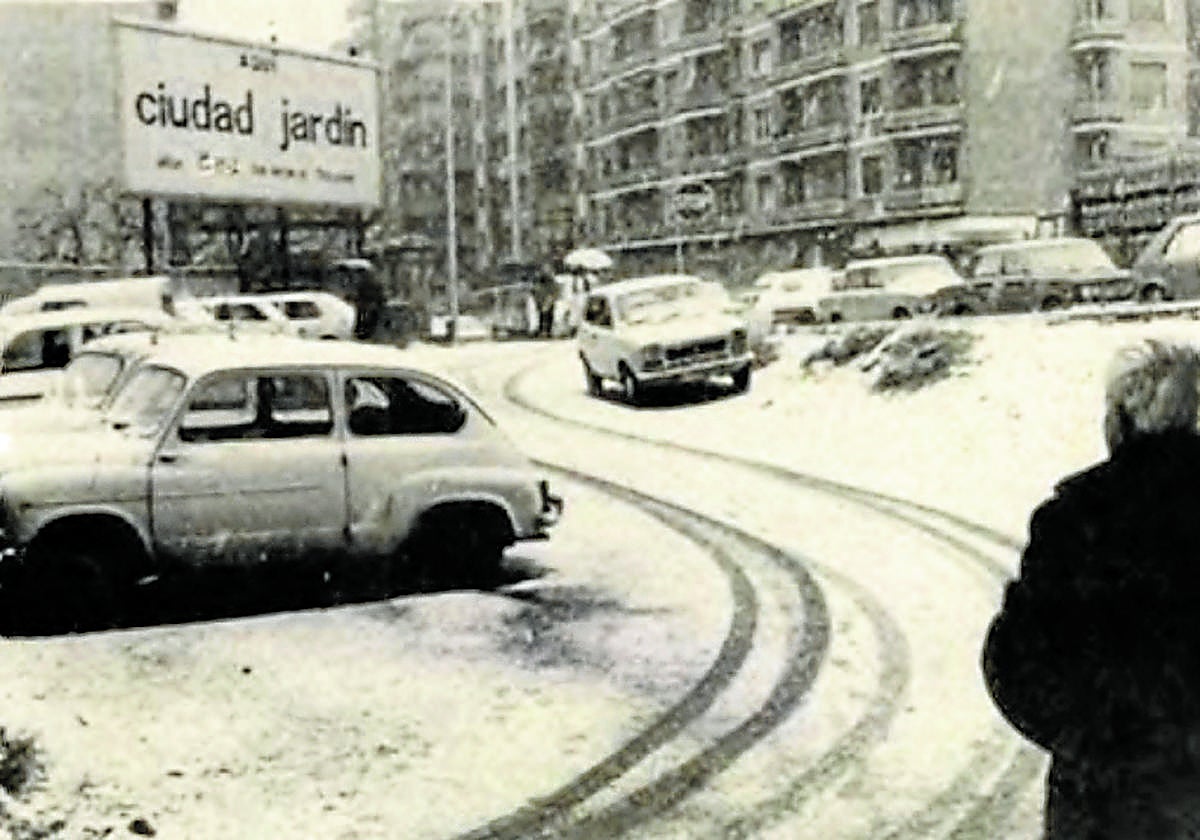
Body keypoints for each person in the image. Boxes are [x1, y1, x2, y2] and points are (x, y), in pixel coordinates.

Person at [982, 338, 1200, 839]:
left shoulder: (1074, 519)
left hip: (1104, 800)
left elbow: (1016, 661)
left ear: (1119, 418)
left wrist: (1085, 740)